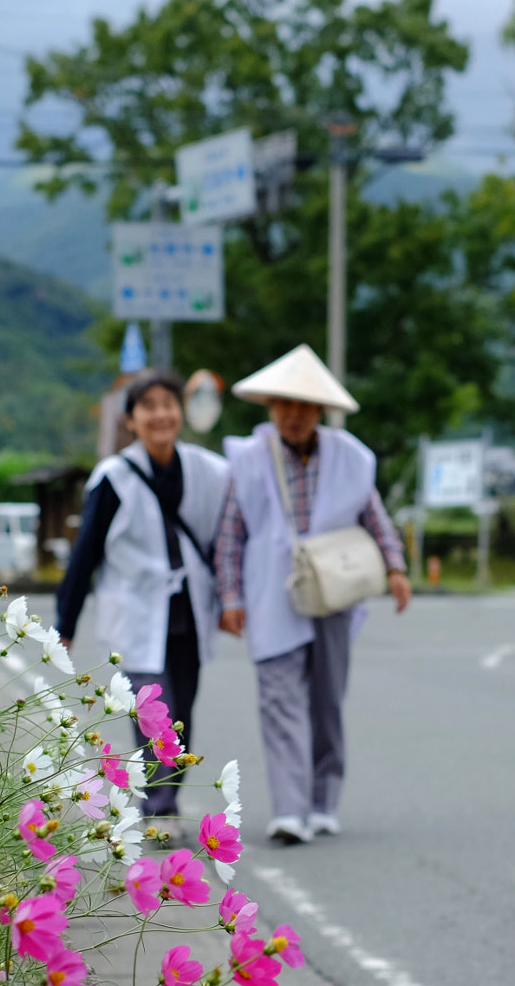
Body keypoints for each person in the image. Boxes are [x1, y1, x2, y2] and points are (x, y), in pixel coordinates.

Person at [213, 344, 410, 845]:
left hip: (333, 593)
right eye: (284, 404)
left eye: (304, 405)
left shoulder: (349, 459)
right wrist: (230, 596)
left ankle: (323, 800)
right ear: (270, 407)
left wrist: (396, 568)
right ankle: (289, 809)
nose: (293, 415)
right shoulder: (249, 459)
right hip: (270, 594)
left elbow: (375, 516)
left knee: (326, 701)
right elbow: (230, 533)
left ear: (320, 410)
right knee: (279, 700)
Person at [56, 371, 229, 822]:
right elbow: (84, 554)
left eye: (168, 404)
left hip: (188, 613)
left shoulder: (207, 469)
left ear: (181, 411)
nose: (160, 414)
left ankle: (165, 799)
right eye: (147, 406)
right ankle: (160, 807)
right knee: (154, 713)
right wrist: (66, 624)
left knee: (181, 713)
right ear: (131, 420)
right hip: (135, 613)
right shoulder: (114, 477)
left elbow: (228, 534)